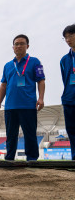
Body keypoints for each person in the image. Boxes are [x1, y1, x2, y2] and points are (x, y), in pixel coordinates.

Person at [0, 34, 45, 161]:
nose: (19, 46)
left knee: (30, 134)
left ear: (27, 46)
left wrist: (41, 98)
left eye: (22, 44)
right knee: (11, 135)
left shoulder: (35, 62)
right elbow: (3, 85)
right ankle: (9, 158)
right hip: (10, 106)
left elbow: (41, 81)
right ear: (13, 47)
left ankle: (32, 159)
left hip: (28, 105)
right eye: (16, 44)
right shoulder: (8, 66)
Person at [60, 24, 75, 160]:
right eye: (65, 38)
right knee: (71, 130)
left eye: (70, 36)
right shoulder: (64, 60)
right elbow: (65, 79)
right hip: (69, 99)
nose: (68, 39)